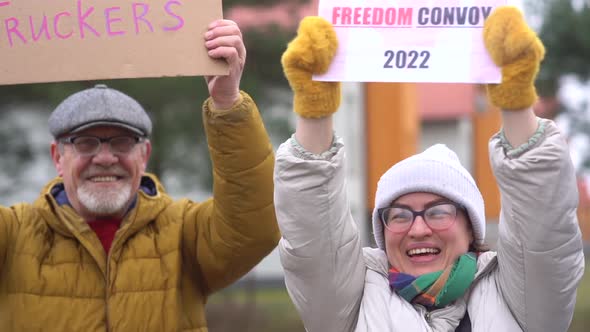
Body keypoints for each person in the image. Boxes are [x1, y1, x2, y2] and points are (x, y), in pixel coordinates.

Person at [275, 6, 584, 332]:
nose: (418, 229)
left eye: (438, 212)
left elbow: (543, 230)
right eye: (399, 215)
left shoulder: (520, 298)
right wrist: (314, 108)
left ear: (471, 230)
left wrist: (516, 98)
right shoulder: (350, 303)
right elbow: (314, 237)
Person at [0, 19, 280, 331]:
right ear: (57, 157)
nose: (105, 158)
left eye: (122, 142)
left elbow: (254, 227)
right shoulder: (14, 234)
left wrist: (227, 101)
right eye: (85, 143)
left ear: (144, 155)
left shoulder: (183, 233)